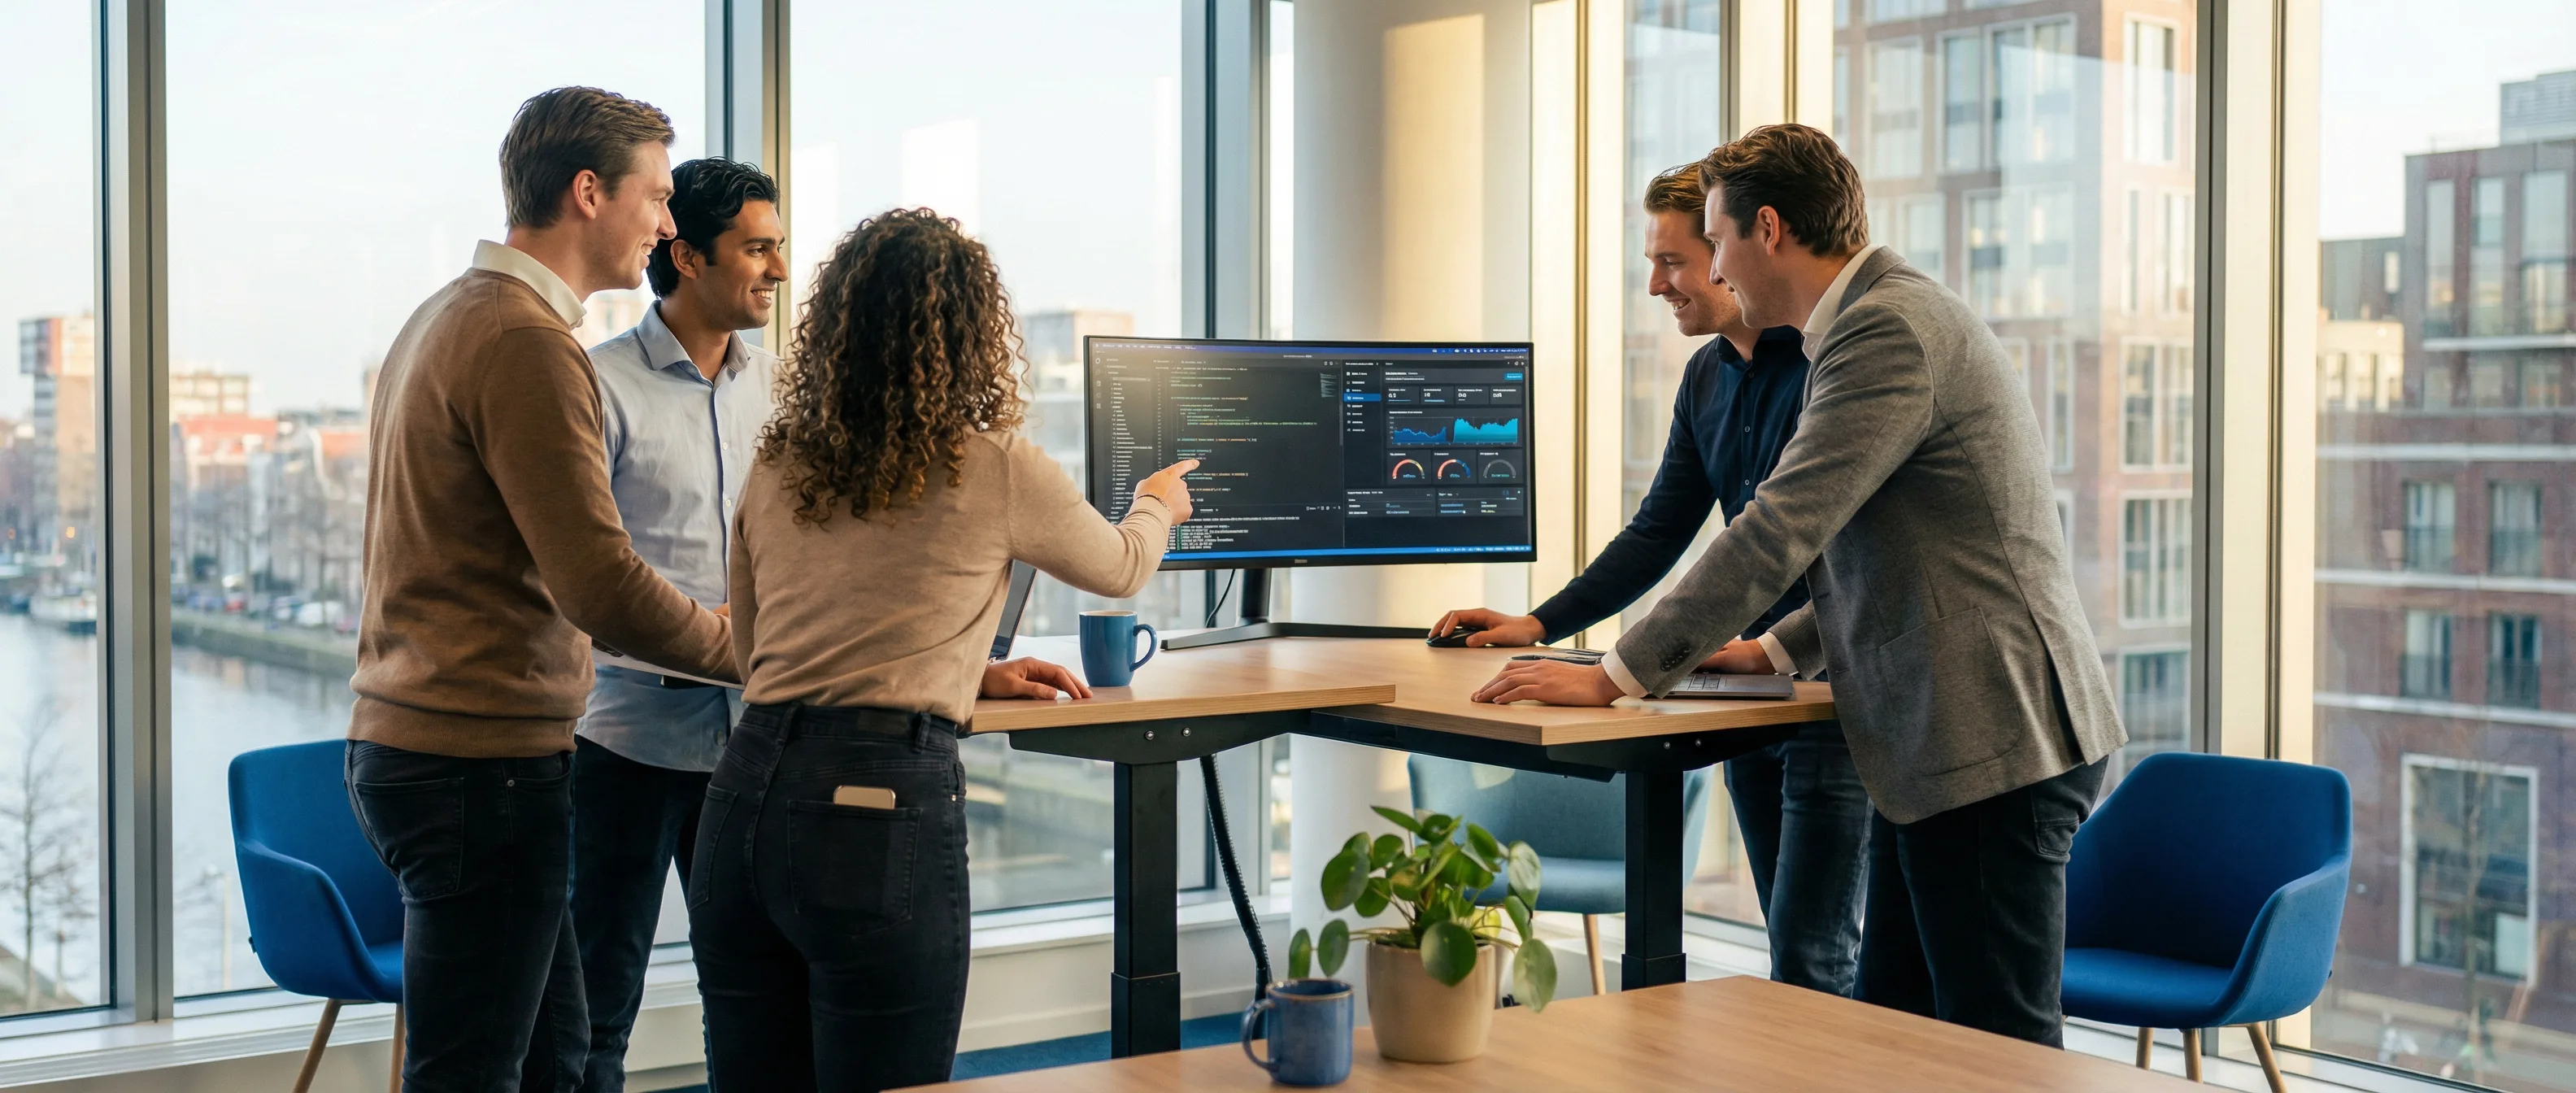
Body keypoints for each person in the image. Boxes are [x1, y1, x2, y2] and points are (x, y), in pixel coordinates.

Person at [1467, 124, 2126, 1047]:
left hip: (1988, 731)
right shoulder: (1857, 331)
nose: (1715, 265)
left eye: (1716, 237)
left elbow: (1779, 528)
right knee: (1897, 1032)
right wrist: (1773, 648)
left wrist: (1617, 673)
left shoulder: (1886, 331)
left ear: (1766, 229)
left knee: (1998, 1049)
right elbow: (1888, 551)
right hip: (1940, 739)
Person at [689, 207, 1200, 1092]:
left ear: (835, 329)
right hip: (875, 805)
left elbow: (757, 647)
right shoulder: (993, 463)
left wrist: (968, 667)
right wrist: (1158, 504)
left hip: (741, 799)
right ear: (970, 331)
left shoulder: (780, 461)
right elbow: (1119, 568)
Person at [346, 86, 738, 1092]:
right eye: (654, 197)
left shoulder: (451, 311)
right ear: (588, 192)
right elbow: (598, 582)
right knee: (475, 1073)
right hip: (478, 765)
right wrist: (751, 650)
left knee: (557, 1058)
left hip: (440, 751)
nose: (665, 222)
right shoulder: (526, 340)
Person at [1426, 163, 1869, 996]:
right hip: (1746, 690)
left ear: (1732, 249)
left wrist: (1623, 673)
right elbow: (1660, 528)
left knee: (1818, 958)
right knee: (1795, 946)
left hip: (1831, 697)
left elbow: (1790, 541)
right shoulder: (1707, 377)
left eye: (1671, 260)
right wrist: (1541, 623)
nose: (1657, 283)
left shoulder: (1827, 368)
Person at [568, 156, 782, 1093]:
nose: (776, 267)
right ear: (687, 255)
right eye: (758, 247)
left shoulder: (778, 389)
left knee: (751, 996)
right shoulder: (597, 384)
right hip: (622, 742)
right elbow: (583, 580)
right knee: (595, 1001)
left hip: (753, 743)